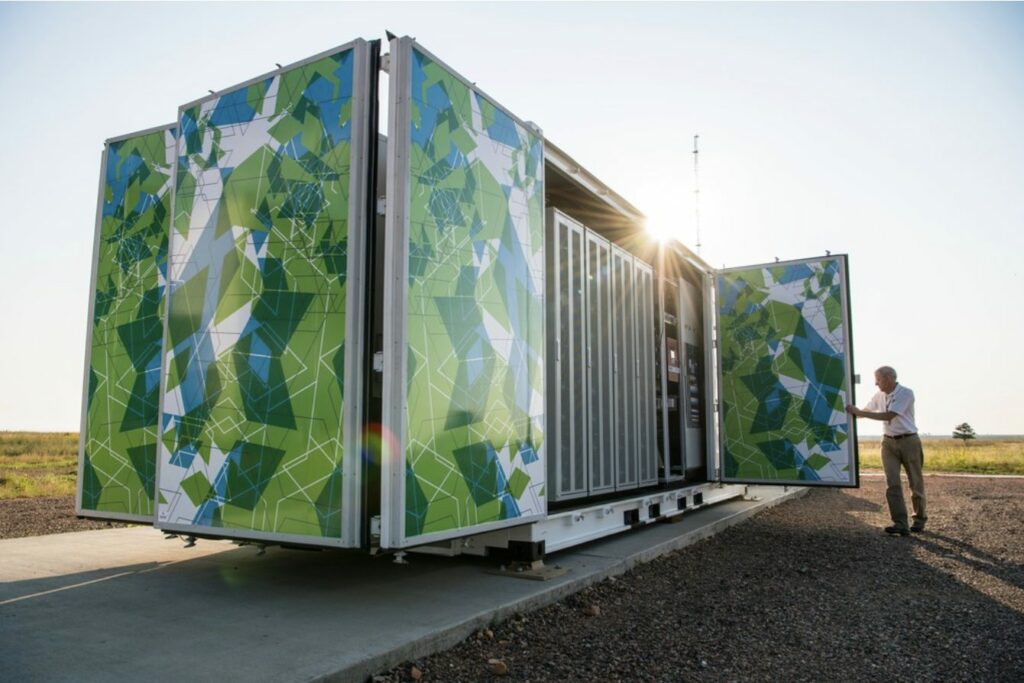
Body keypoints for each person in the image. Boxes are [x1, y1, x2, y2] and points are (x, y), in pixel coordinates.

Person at [846, 366, 926, 536]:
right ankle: (900, 523)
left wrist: (861, 413)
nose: (876, 383)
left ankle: (919, 519)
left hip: (909, 441)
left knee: (915, 482)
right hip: (888, 442)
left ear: (890, 378)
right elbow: (866, 410)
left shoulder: (906, 393)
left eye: (879, 379)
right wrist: (851, 412)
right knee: (892, 483)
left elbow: (890, 415)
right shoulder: (879, 396)